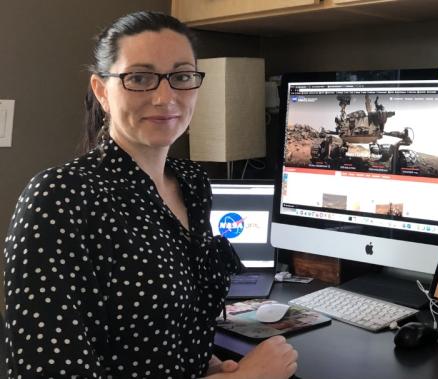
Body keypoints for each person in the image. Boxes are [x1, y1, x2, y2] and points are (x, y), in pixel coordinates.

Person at [3, 11, 297, 378]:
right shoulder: (61, 198)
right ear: (101, 90)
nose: (165, 96)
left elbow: (157, 330)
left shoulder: (192, 183)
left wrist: (205, 361)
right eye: (139, 78)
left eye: (181, 76)